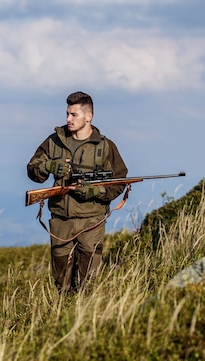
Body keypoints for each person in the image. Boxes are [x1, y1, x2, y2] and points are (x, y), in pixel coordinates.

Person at [27, 91, 128, 294]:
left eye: (73, 114)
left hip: (91, 221)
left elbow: (120, 181)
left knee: (89, 283)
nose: (67, 119)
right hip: (60, 222)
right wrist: (49, 166)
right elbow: (33, 171)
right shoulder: (55, 141)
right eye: (67, 113)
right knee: (62, 284)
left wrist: (95, 192)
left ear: (88, 116)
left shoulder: (105, 147)